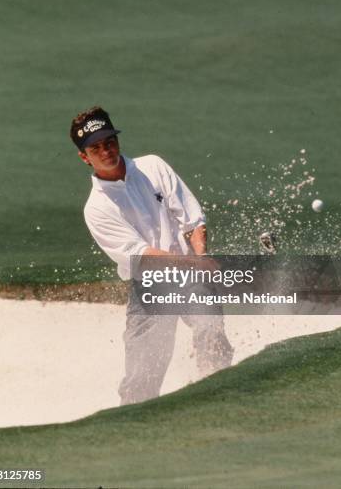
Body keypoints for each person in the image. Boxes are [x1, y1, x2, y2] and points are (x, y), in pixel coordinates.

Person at [70, 106, 233, 405]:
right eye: (96, 148)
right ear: (84, 157)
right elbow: (142, 255)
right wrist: (195, 263)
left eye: (110, 142)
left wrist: (201, 256)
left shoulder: (153, 166)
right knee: (141, 379)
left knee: (212, 334)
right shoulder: (96, 208)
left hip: (190, 276)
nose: (106, 151)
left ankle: (217, 403)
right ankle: (132, 433)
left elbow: (192, 220)